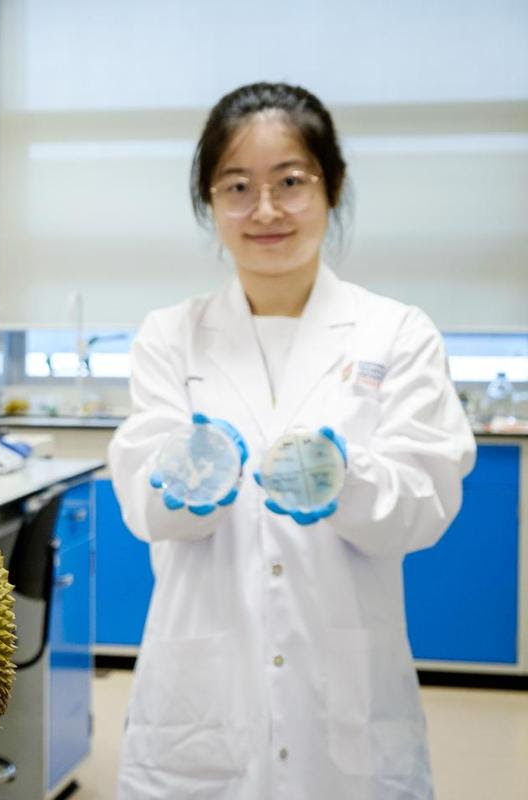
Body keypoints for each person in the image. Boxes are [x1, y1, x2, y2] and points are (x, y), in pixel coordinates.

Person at [108, 82, 476, 799]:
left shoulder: (395, 333)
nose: (266, 210)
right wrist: (185, 482)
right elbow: (142, 504)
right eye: (237, 186)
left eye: (291, 182)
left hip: (346, 684)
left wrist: (349, 478)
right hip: (200, 693)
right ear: (209, 201)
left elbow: (426, 502)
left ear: (331, 187)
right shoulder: (169, 335)